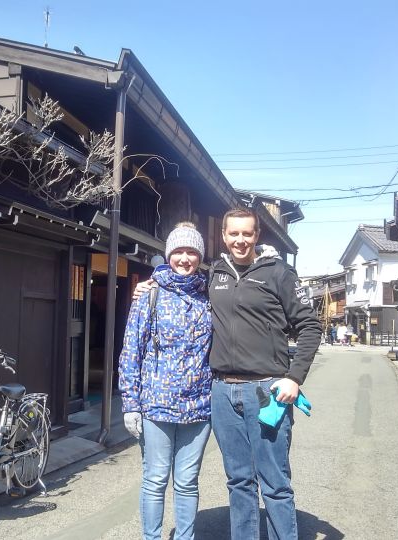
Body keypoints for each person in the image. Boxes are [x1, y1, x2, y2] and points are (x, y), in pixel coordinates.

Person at [134, 208, 321, 539]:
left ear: (256, 235)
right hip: (221, 392)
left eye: (246, 233)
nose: (240, 239)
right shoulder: (215, 274)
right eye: (233, 233)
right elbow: (181, 279)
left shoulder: (280, 273)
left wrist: (295, 377)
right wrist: (150, 285)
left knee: (275, 481)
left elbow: (309, 324)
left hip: (267, 391)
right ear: (223, 236)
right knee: (238, 480)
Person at [119, 222, 213, 540]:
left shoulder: (209, 297)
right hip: (156, 406)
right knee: (156, 479)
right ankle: (152, 537)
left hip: (199, 407)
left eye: (191, 252)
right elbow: (131, 351)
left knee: (187, 482)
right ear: (168, 254)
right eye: (178, 252)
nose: (185, 258)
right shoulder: (150, 295)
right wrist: (130, 403)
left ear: (200, 256)